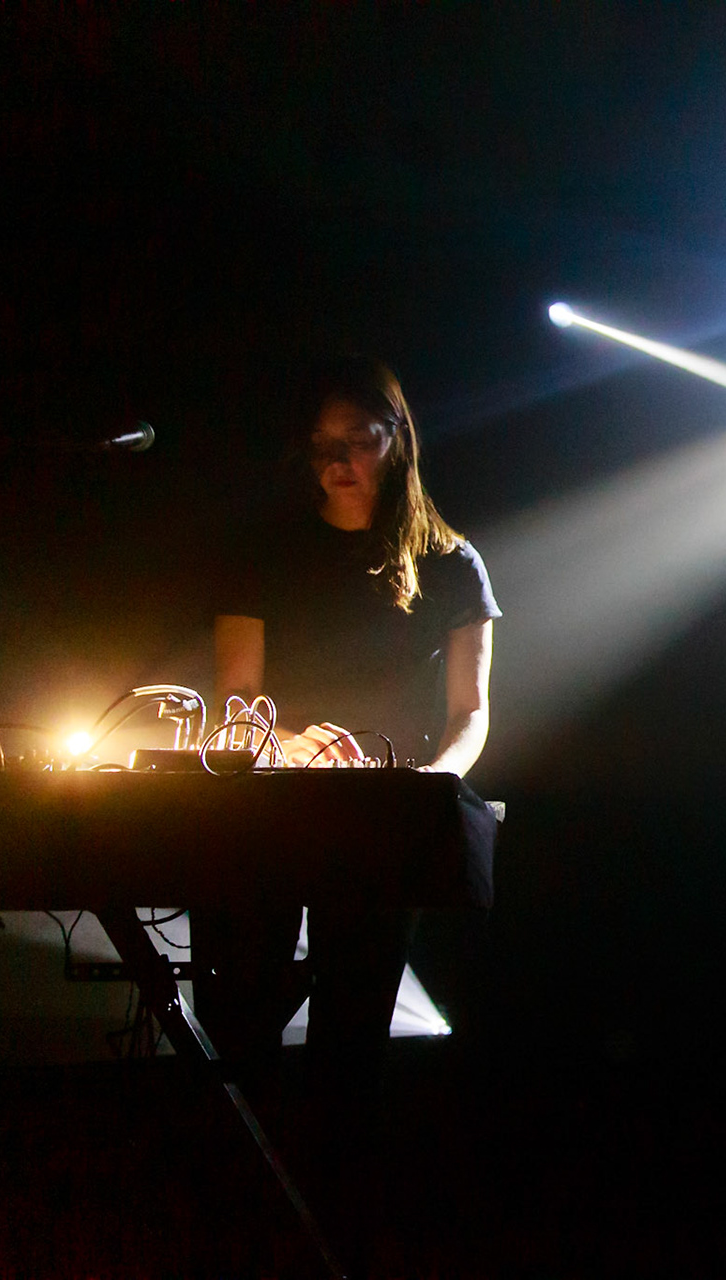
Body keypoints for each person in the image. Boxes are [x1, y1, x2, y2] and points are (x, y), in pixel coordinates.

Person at [195, 354, 500, 1094]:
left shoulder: (452, 563)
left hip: (387, 813)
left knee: (353, 1032)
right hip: (271, 802)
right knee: (238, 1017)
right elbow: (236, 697)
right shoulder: (265, 550)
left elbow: (470, 712)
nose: (337, 462)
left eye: (357, 441)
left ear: (398, 439)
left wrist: (432, 782)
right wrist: (281, 746)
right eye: (322, 445)